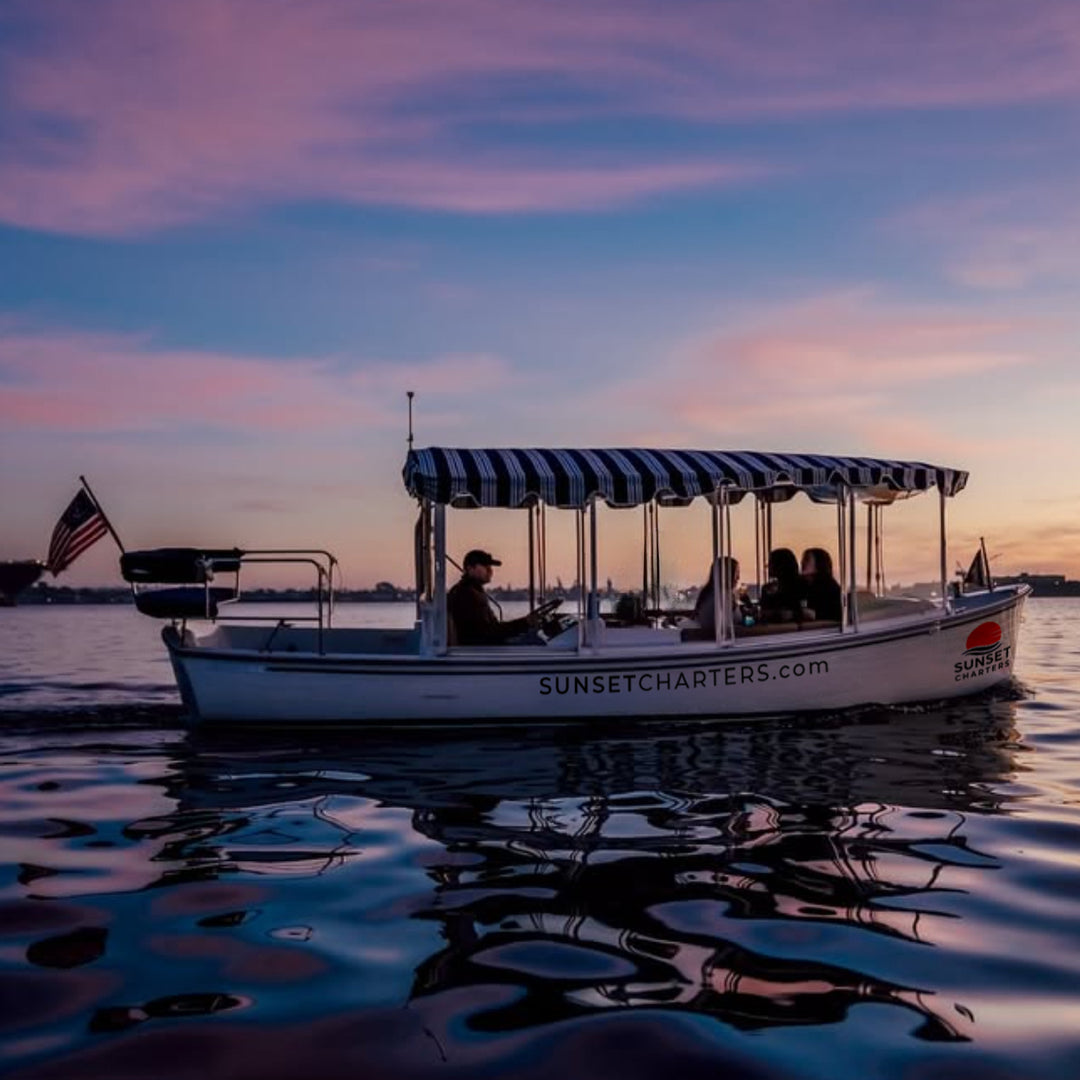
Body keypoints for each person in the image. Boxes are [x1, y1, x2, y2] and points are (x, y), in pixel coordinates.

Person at [447, 549, 536, 645]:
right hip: (478, 650)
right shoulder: (466, 595)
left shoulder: (472, 591)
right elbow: (488, 632)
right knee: (535, 641)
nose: (490, 570)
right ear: (470, 568)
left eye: (490, 566)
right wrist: (524, 623)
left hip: (483, 646)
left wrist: (524, 623)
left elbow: (492, 629)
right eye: (485, 566)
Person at [685, 556, 749, 638]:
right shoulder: (722, 597)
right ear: (727, 574)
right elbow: (726, 630)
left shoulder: (711, 593)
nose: (738, 577)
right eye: (736, 573)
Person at [759, 547, 806, 624]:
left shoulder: (800, 586)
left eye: (771, 563)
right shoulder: (767, 588)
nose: (767, 566)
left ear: (780, 565)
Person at [801, 547, 842, 622]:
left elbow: (838, 613)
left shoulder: (830, 588)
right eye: (803, 559)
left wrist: (815, 615)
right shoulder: (802, 585)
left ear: (819, 563)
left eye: (807, 559)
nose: (802, 562)